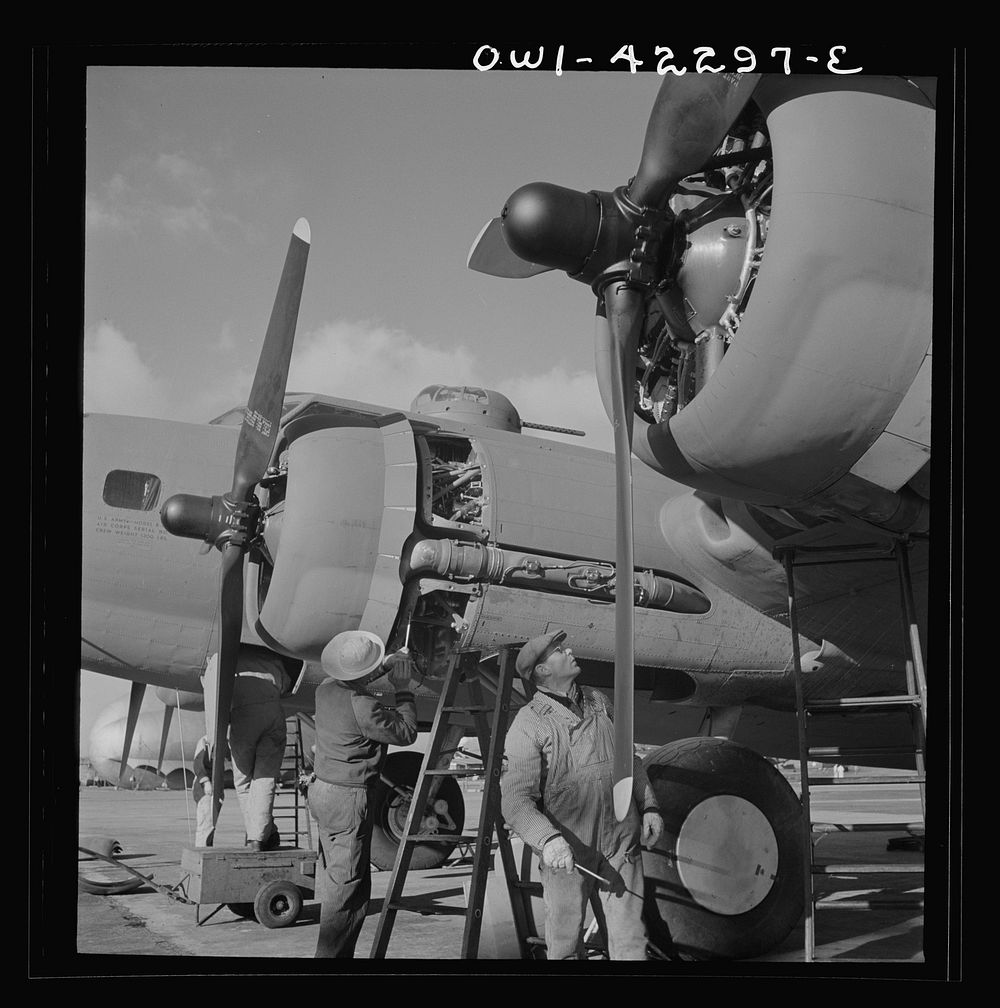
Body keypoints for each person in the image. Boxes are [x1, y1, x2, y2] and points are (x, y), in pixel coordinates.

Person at [501, 630, 664, 960]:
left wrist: (648, 804)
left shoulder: (598, 700)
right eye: (560, 650)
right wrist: (548, 840)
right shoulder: (528, 723)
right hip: (569, 847)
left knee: (632, 938)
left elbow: (628, 759)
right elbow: (515, 800)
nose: (570, 650)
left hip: (621, 840)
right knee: (564, 941)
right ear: (543, 671)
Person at [309, 630, 419, 958]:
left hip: (322, 791)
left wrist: (385, 666)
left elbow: (355, 681)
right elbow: (407, 732)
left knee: (337, 878)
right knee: (347, 887)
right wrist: (403, 690)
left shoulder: (325, 690)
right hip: (348, 797)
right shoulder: (364, 707)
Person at [206, 646, 294, 852]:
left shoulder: (227, 658)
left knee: (244, 780)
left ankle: (257, 837)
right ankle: (264, 833)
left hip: (244, 714)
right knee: (265, 777)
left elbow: (216, 689)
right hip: (273, 713)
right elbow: (287, 686)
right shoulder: (271, 656)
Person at [191, 734, 217, 847]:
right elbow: (198, 763)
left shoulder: (220, 740)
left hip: (214, 786)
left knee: (210, 823)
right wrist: (206, 782)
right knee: (205, 821)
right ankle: (202, 848)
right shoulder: (206, 741)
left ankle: (207, 846)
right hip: (204, 789)